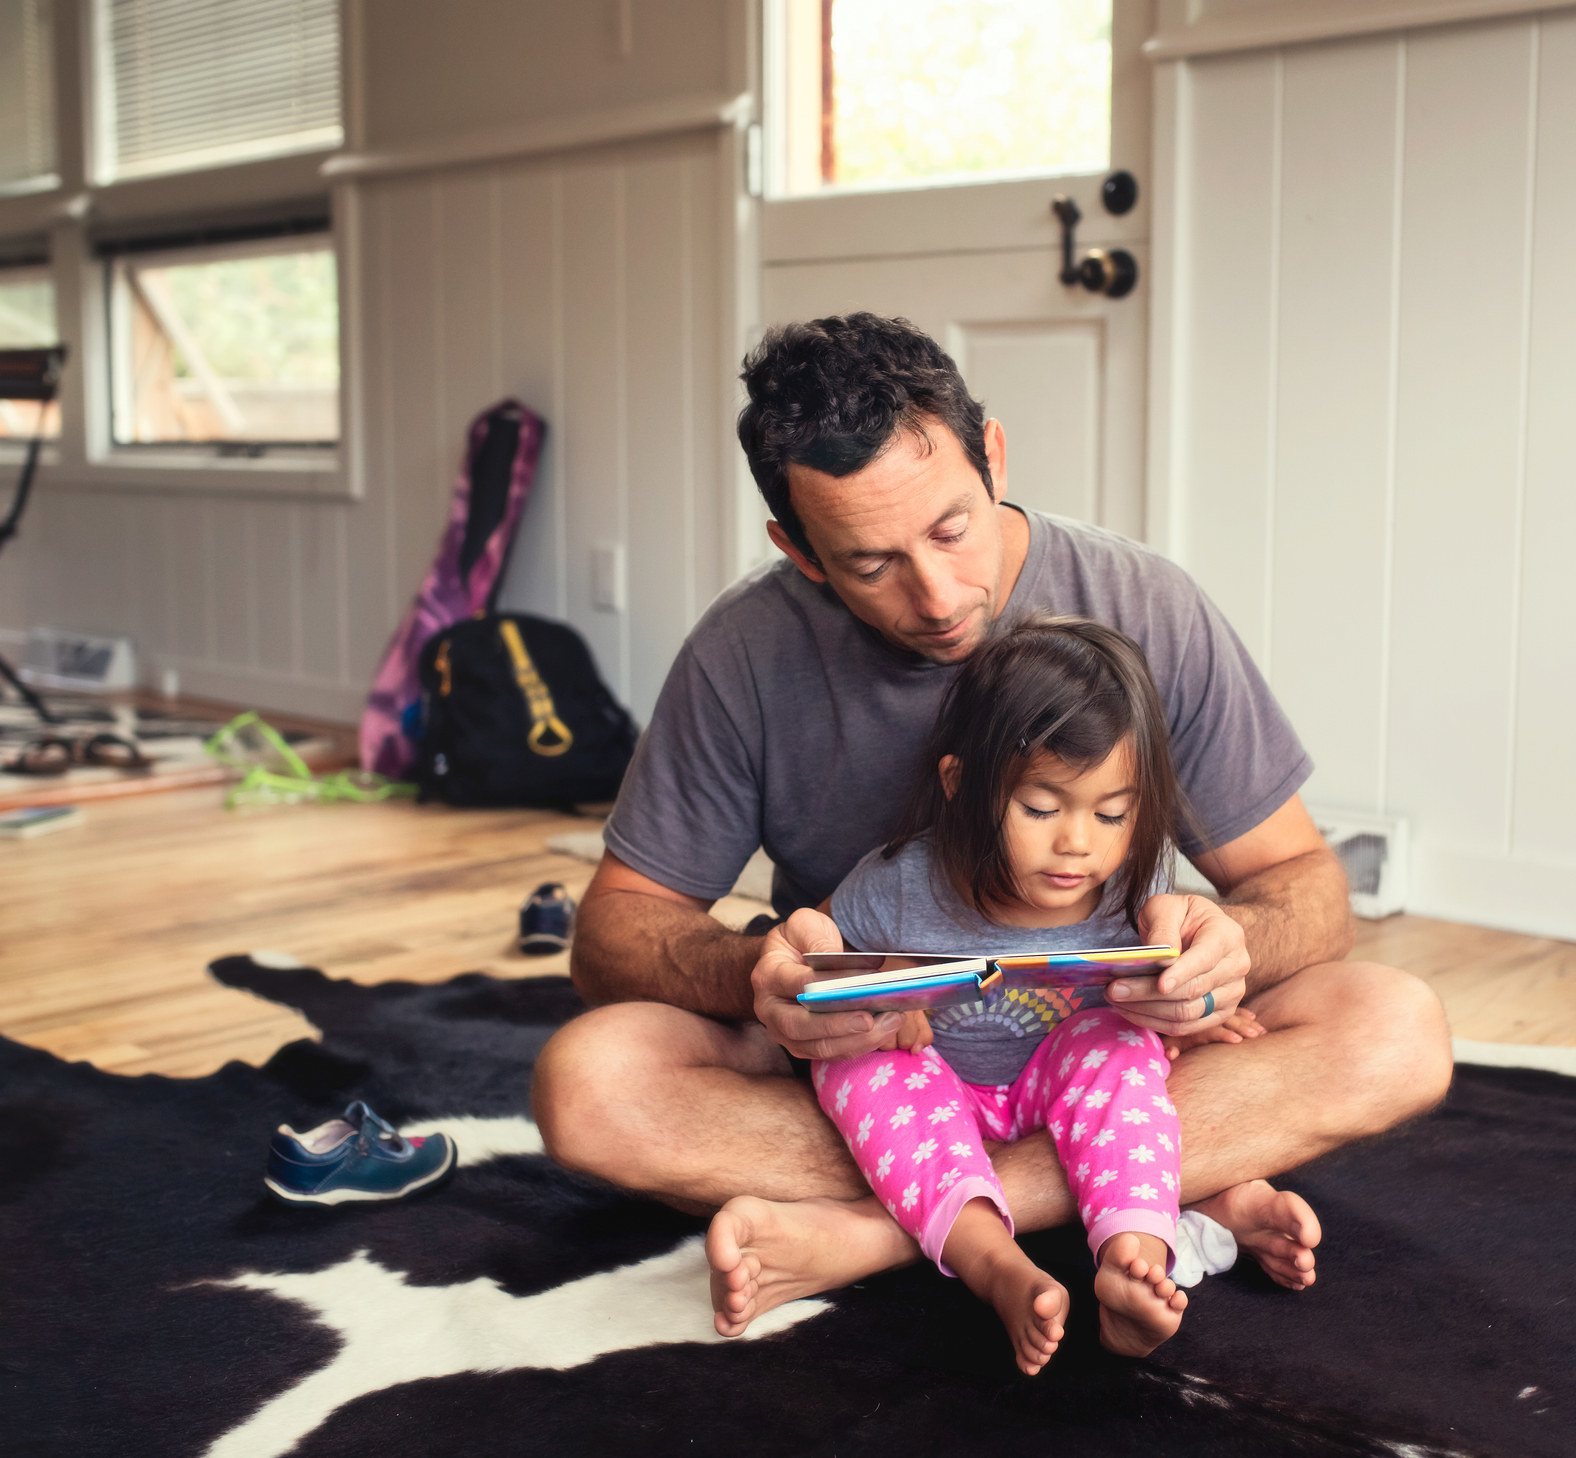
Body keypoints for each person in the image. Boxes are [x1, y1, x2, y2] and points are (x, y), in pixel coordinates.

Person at [530, 313, 1453, 1337]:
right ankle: (1136, 1192)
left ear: (993, 457)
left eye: (950, 528)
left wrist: (1230, 951)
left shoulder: (1142, 603)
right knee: (590, 1085)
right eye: (869, 562)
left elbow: (1300, 880)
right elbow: (611, 933)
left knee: (1394, 1029)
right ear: (796, 549)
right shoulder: (743, 654)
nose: (934, 597)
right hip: (881, 1065)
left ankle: (889, 1231)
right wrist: (752, 973)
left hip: (1104, 1045)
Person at [812, 615, 1273, 1374]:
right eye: (1040, 808)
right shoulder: (894, 884)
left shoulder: (1133, 888)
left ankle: (1133, 1256)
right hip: (934, 1092)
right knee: (857, 1070)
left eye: (1112, 813)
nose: (1078, 844)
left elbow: (1161, 994)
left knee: (1121, 1047)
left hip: (1055, 1084)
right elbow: (816, 979)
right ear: (962, 787)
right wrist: (868, 1013)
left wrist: (1187, 1008)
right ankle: (996, 1266)